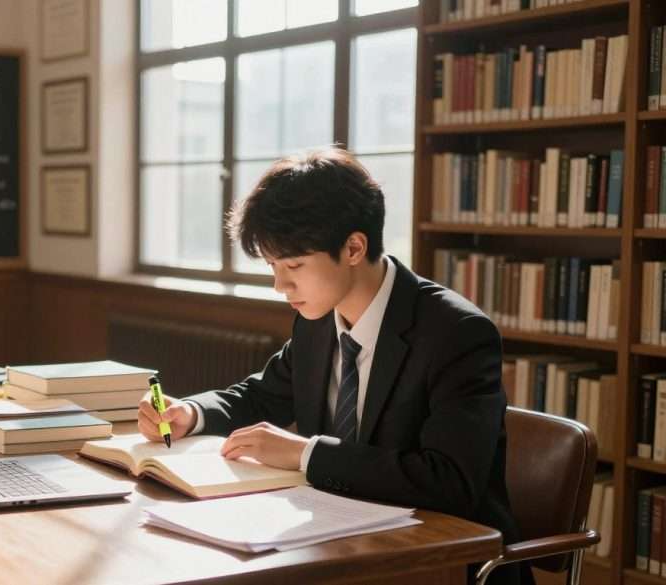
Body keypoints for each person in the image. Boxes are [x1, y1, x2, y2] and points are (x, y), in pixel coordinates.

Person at [137, 149, 531, 585]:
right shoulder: (318, 321)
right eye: (272, 266)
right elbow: (263, 394)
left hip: (440, 563)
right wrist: (190, 413)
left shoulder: (456, 333)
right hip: (340, 544)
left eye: (294, 266)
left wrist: (304, 452)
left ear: (353, 247)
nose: (280, 285)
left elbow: (449, 482)